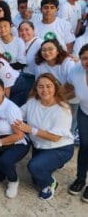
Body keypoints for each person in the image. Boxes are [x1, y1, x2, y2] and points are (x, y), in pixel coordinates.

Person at [13, 73, 74, 200]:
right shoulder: (32, 102)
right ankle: (52, 164)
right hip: (40, 147)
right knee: (35, 179)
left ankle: (50, 183)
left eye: (48, 86)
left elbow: (56, 138)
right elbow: (17, 115)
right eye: (40, 86)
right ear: (36, 89)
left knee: (34, 167)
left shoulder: (63, 109)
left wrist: (31, 130)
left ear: (55, 87)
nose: (45, 90)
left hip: (60, 148)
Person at [0, 78, 29, 199]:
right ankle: (7, 161)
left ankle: (14, 181)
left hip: (17, 143)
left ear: (4, 91)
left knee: (5, 162)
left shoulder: (11, 109)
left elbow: (19, 135)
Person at [68, 44, 88, 202]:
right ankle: (80, 178)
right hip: (84, 113)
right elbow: (67, 89)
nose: (87, 61)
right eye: (84, 58)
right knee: (84, 147)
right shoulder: (75, 71)